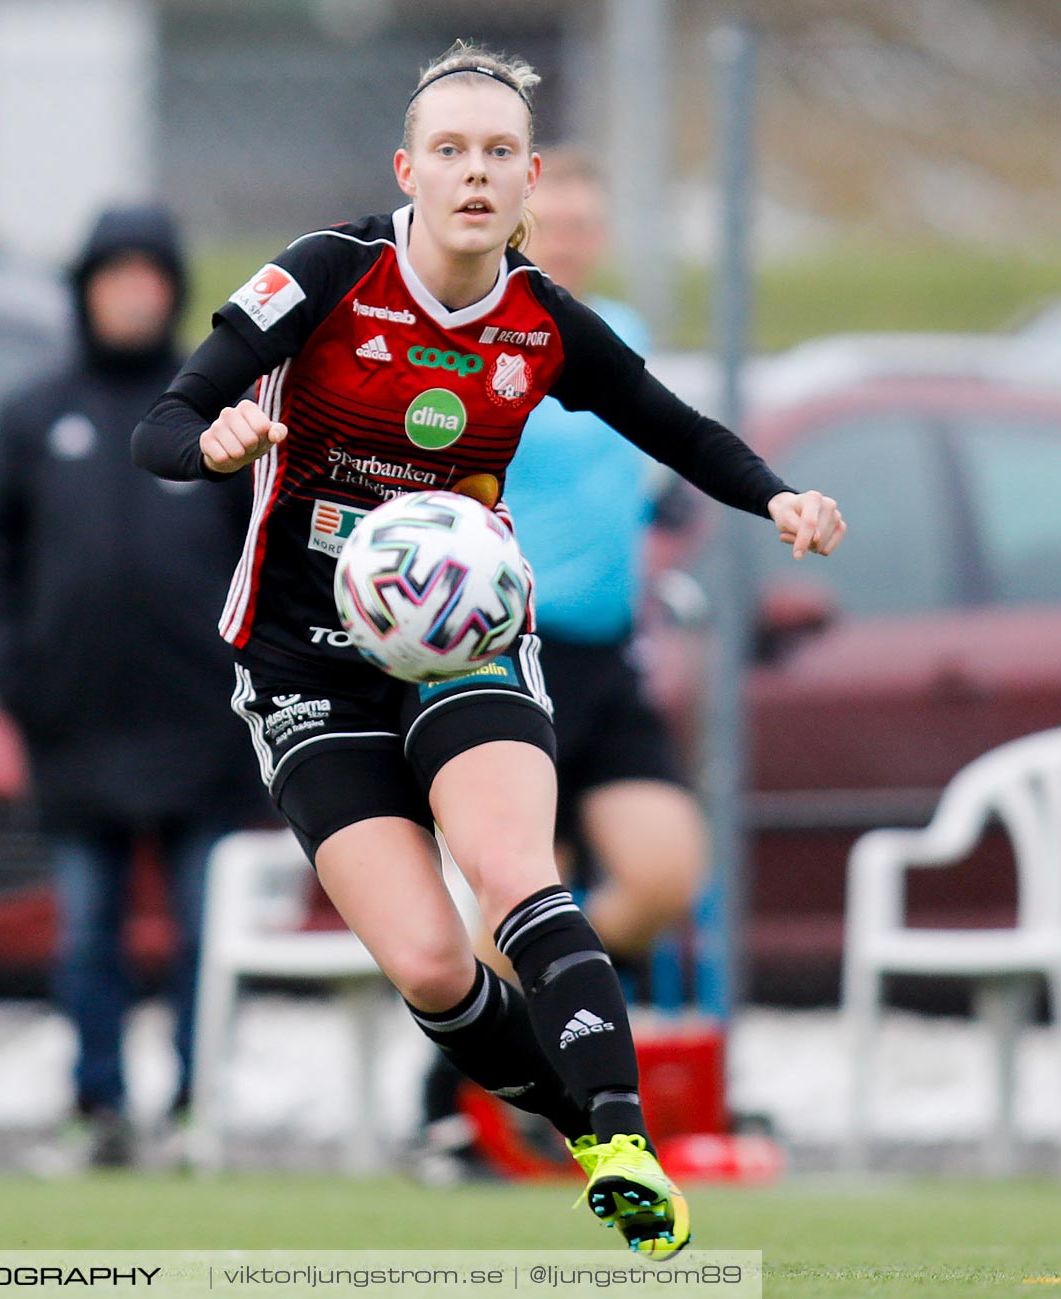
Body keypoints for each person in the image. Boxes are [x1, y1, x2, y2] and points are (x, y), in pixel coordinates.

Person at [133, 39, 844, 1254]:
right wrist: (209, 449)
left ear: (528, 190)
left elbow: (674, 426)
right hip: (304, 661)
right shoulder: (322, 274)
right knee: (426, 963)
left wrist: (775, 495)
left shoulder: (543, 324)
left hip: (468, 641)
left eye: (499, 153)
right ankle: (577, 1128)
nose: (475, 174)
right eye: (451, 151)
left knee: (518, 876)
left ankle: (624, 1139)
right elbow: (165, 419)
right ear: (409, 171)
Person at [414, 149, 709, 1182]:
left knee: (665, 868)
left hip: (606, 662)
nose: (574, 241)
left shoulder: (620, 336)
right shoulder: (477, 332)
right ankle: (458, 1112)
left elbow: (633, 462)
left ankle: (549, 1045)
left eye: (591, 225)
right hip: (502, 655)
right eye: (559, 225)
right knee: (517, 890)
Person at [0, 205, 264, 1171]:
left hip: (204, 728)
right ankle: (96, 1106)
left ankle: (194, 1107)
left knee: (202, 931)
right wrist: (23, 679)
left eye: (151, 275)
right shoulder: (28, 417)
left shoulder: (219, 417)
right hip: (76, 727)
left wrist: (250, 690)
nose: (132, 293)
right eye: (113, 275)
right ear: (85, 287)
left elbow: (270, 553)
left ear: (174, 292)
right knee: (87, 929)